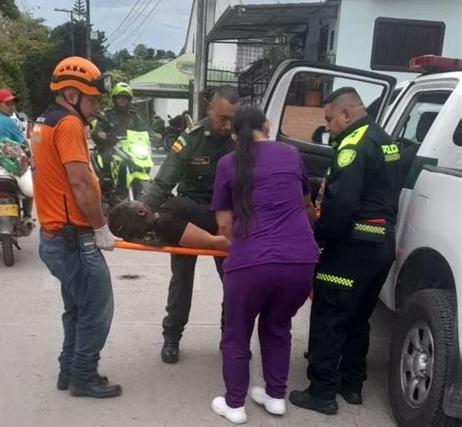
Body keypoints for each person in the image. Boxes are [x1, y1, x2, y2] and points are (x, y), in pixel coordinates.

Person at [289, 87, 401, 415]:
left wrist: (318, 238)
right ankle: (352, 386)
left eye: (329, 118)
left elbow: (341, 205)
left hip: (352, 247)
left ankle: (322, 392)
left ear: (347, 114)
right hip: (381, 246)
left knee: (329, 314)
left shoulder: (352, 146)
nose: (328, 126)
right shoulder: (385, 139)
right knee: (358, 318)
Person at [210, 105, 319, 424]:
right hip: (300, 261)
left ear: (234, 135)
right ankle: (275, 397)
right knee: (277, 326)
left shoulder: (228, 164)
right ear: (267, 126)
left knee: (237, 332)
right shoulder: (291, 154)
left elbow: (224, 225)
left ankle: (234, 404)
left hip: (250, 262)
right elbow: (307, 206)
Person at [30, 56, 121, 399]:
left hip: (56, 235)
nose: (96, 106)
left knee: (78, 307)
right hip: (72, 237)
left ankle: (68, 369)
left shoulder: (43, 121)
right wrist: (100, 227)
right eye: (92, 99)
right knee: (97, 309)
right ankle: (83, 375)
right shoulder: (68, 124)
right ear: (70, 94)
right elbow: (81, 183)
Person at [140, 85, 239, 364]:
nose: (227, 125)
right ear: (209, 110)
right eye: (222, 118)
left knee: (234, 283)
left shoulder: (240, 139)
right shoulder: (191, 139)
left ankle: (230, 337)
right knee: (182, 280)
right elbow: (163, 182)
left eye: (233, 118)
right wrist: (142, 212)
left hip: (225, 221)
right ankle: (172, 338)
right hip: (190, 216)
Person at [107, 197, 229, 252]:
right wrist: (247, 244)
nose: (141, 201)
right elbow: (215, 242)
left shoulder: (161, 218)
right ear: (141, 211)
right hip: (238, 228)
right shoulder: (166, 225)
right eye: (135, 201)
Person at [0, 88, 33, 217]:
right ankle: (27, 216)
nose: (12, 107)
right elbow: (24, 145)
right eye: (7, 104)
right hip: (6, 162)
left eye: (13, 104)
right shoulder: (9, 122)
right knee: (29, 189)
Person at [91, 82, 145, 174]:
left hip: (130, 148)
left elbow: (143, 127)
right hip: (112, 147)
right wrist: (100, 132)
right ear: (114, 99)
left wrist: (153, 133)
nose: (122, 100)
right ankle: (107, 183)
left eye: (125, 98)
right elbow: (98, 127)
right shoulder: (107, 114)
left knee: (143, 160)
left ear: (129, 100)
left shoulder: (133, 115)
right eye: (120, 97)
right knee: (106, 161)